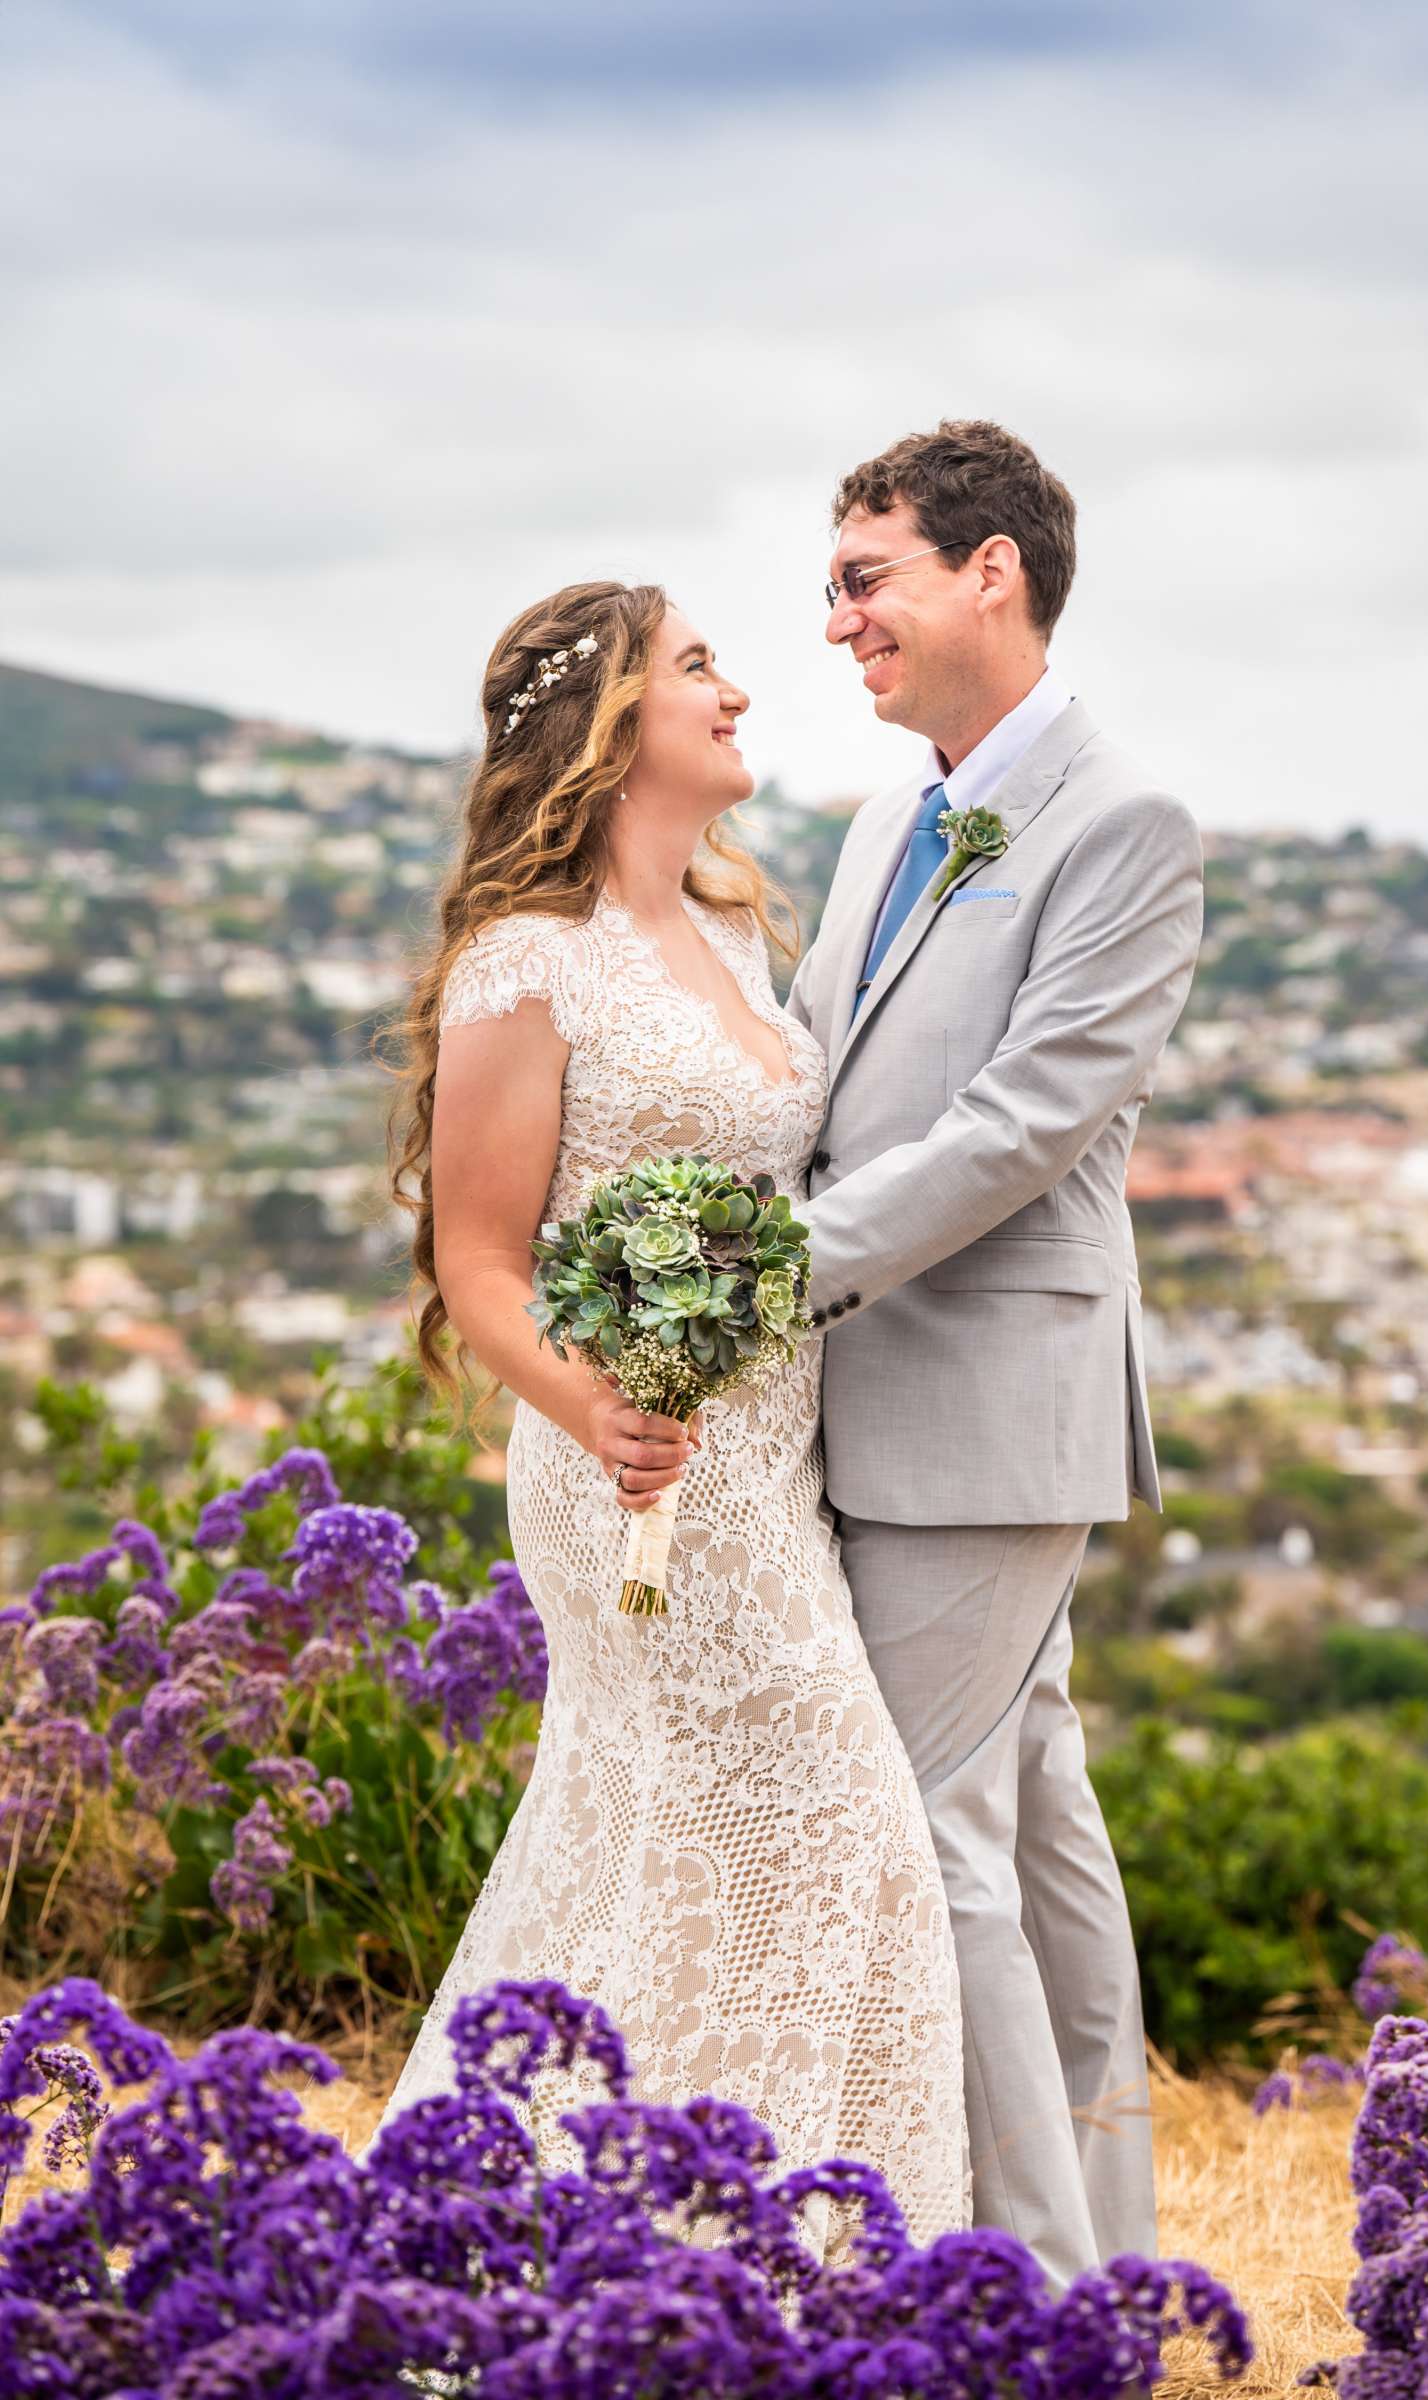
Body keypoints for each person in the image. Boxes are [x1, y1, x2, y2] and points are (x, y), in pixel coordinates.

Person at [373, 579, 966, 2251]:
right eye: (699, 666)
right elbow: (478, 1260)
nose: (739, 692)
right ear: (611, 723)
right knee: (824, 1826)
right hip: (634, 1474)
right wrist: (593, 1407)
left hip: (772, 1459)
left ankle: (583, 2243)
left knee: (679, 1843)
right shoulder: (525, 960)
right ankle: (724, 2256)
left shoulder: (725, 929)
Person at [788, 419, 1205, 2285]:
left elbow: (1032, 1118)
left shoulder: (1126, 822)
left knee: (920, 1848)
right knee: (1038, 1858)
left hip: (987, 1414)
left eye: (863, 577)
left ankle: (1016, 2302)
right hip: (873, 1401)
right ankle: (1103, 2264)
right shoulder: (889, 811)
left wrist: (772, 1272)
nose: (836, 623)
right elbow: (819, 1075)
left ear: (991, 573)